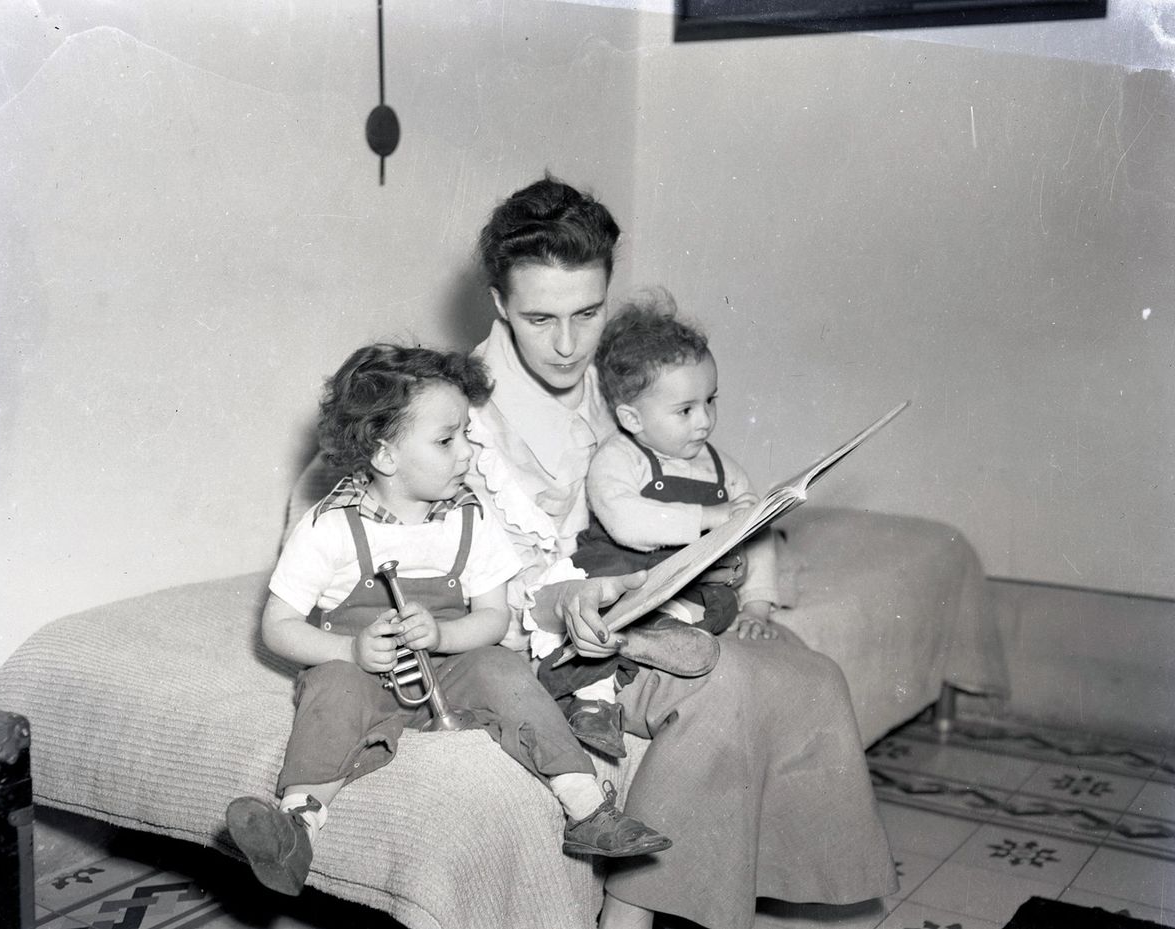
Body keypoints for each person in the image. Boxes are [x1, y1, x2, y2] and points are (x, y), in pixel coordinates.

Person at [464, 176, 898, 929]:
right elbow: (487, 575)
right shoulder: (467, 415)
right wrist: (578, 601)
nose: (568, 345)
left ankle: (765, 890)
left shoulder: (612, 377)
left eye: (588, 313)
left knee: (812, 675)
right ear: (499, 303)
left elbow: (685, 465)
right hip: (563, 629)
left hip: (653, 598)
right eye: (540, 318)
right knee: (722, 686)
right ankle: (627, 918)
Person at [225, 343, 671, 898]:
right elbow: (278, 625)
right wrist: (350, 652)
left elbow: (492, 616)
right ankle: (296, 828)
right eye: (446, 439)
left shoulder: (469, 518)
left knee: (504, 671)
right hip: (362, 668)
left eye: (466, 433)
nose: (467, 452)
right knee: (333, 691)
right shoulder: (329, 525)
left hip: (452, 664)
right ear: (385, 456)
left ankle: (587, 808)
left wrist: (446, 635)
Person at [538, 294, 800, 759]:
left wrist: (758, 605)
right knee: (599, 605)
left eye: (710, 401)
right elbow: (626, 521)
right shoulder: (620, 457)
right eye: (685, 410)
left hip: (691, 589)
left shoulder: (726, 470)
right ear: (631, 418)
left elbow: (756, 536)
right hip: (628, 573)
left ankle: (650, 637)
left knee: (715, 603)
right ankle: (592, 703)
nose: (704, 421)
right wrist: (714, 518)